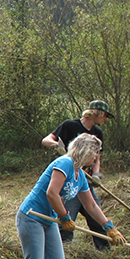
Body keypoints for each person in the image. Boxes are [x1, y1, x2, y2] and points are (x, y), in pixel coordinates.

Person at [17, 133, 125, 259]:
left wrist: (109, 227)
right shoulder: (65, 163)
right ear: (86, 151)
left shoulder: (80, 174)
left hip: (50, 220)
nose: (95, 159)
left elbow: (90, 205)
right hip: (32, 216)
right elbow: (52, 193)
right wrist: (65, 216)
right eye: (95, 154)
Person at [41, 100, 113, 250]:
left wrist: (97, 174)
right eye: (105, 115)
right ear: (97, 113)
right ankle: (65, 253)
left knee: (95, 215)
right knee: (67, 222)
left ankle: (104, 252)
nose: (105, 119)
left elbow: (97, 158)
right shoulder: (70, 125)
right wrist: (56, 146)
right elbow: (46, 140)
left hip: (83, 180)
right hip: (67, 181)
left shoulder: (98, 132)